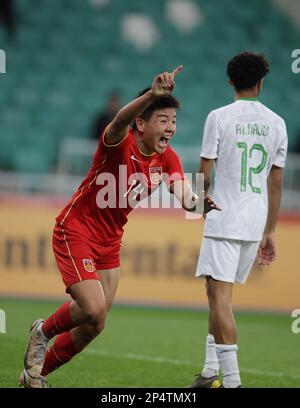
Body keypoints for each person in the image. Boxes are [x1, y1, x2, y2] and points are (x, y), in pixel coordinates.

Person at [19, 66, 219, 388]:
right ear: (141, 123)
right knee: (92, 306)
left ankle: (35, 377)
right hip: (77, 230)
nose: (171, 128)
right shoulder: (118, 144)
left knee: (96, 323)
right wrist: (152, 94)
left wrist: (199, 202)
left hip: (110, 241)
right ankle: (42, 331)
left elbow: (183, 192)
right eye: (163, 120)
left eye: (174, 121)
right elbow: (118, 122)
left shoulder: (167, 159)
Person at [188, 52, 288, 388]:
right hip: (255, 220)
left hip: (224, 217)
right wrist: (270, 230)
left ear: (231, 81)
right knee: (214, 292)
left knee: (220, 299)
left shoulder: (218, 117)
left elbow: (205, 168)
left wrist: (200, 205)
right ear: (261, 82)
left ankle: (232, 383)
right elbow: (276, 181)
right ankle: (208, 371)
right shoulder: (277, 123)